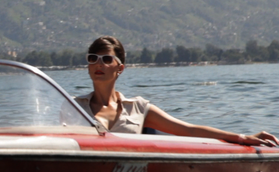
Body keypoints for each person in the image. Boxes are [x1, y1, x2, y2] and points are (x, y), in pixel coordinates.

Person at [66, 35, 279, 147]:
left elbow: (188, 130)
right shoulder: (73, 107)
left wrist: (243, 137)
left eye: (106, 59)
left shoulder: (138, 108)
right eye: (92, 59)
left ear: (120, 67)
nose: (98, 64)